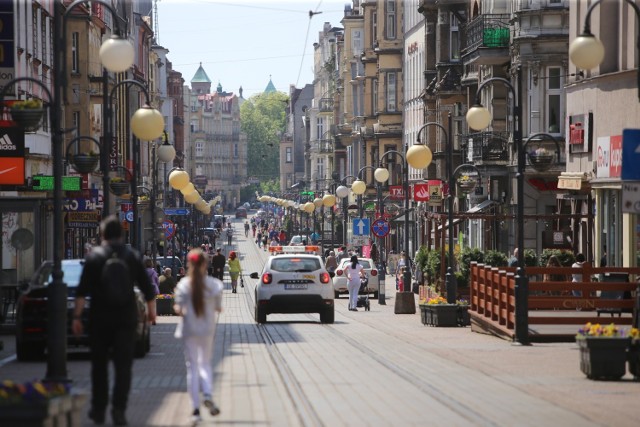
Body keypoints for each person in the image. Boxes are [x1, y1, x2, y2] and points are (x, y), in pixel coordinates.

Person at [72, 215, 156, 426]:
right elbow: (148, 290)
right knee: (123, 367)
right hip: (125, 319)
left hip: (99, 318)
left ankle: (99, 410)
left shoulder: (95, 257)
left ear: (102, 235)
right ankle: (119, 409)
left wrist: (76, 317)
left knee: (99, 366)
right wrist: (151, 314)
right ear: (121, 234)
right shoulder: (132, 256)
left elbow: (82, 291)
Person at [173, 249, 223, 423]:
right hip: (207, 329)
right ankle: (208, 393)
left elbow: (178, 308)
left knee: (192, 368)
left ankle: (195, 409)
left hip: (189, 329)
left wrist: (183, 309)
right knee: (205, 364)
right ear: (205, 264)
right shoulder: (214, 285)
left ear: (189, 264)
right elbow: (219, 308)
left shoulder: (183, 285)